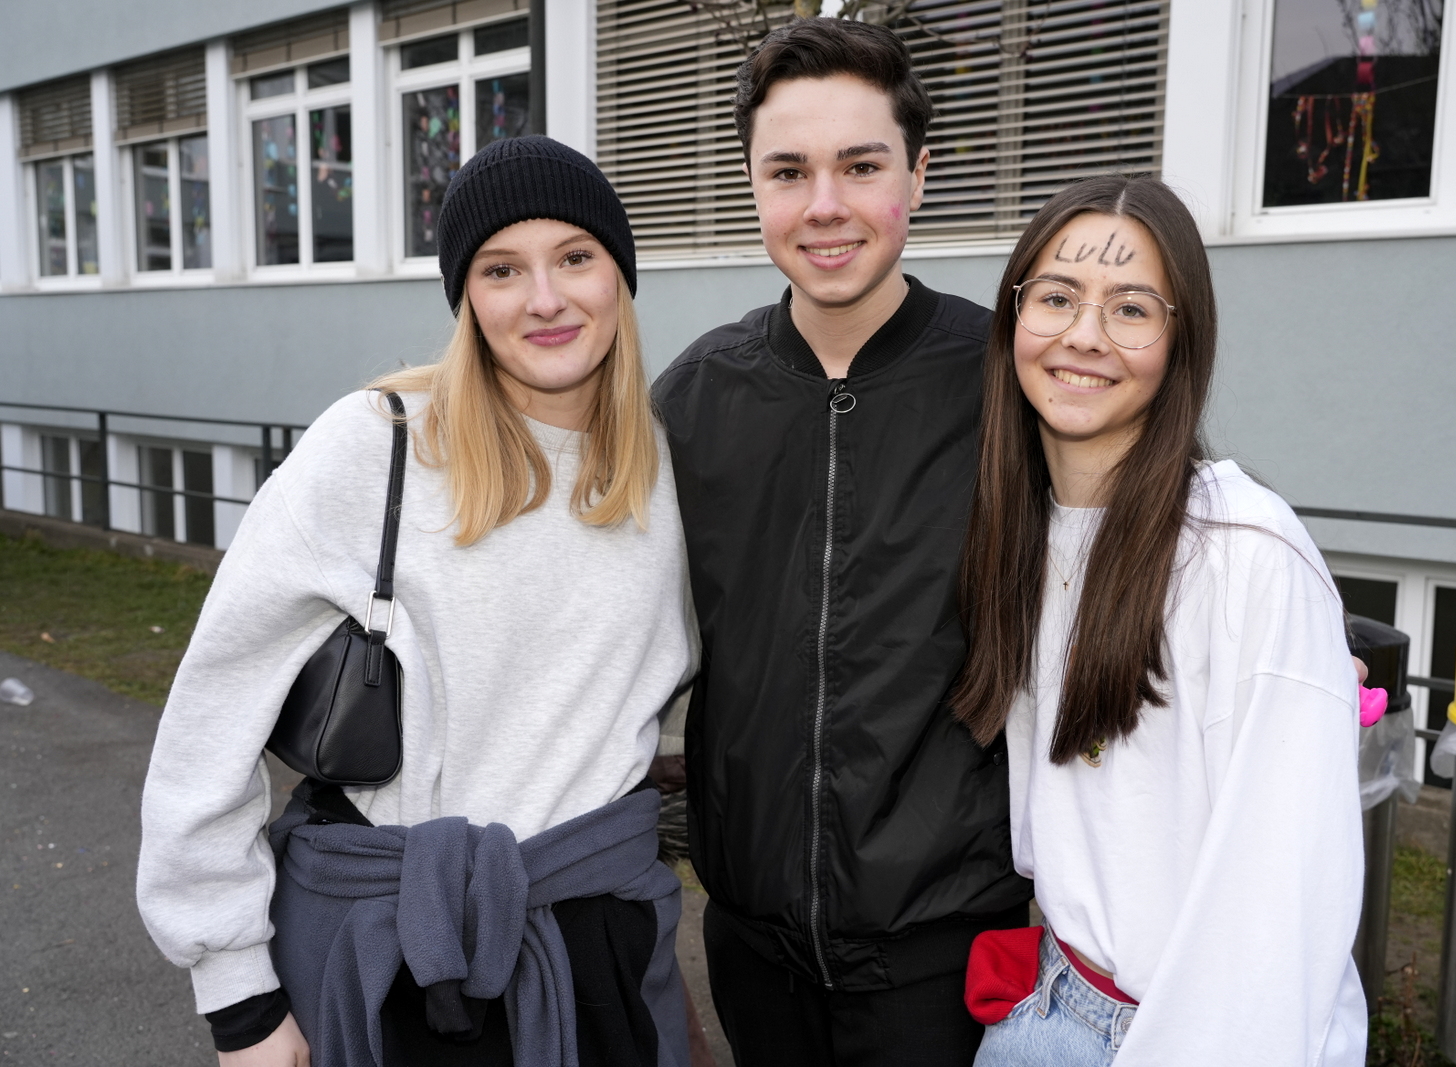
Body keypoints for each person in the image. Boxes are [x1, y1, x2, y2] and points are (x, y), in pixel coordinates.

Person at [137, 137, 698, 1067]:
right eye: (502, 268)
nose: (545, 298)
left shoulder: (668, 472)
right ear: (466, 295)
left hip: (598, 951)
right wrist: (237, 996)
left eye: (575, 256)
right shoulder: (378, 445)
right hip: (394, 955)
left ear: (619, 275)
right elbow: (214, 712)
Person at [651, 19, 1032, 1067]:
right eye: (788, 171)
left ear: (919, 173)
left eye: (861, 166)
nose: (824, 205)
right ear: (753, 184)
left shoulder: (1009, 384)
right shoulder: (693, 398)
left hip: (949, 953)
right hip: (751, 949)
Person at [954, 175, 1366, 1066]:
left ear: (1182, 342)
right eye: (1056, 296)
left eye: (1131, 308)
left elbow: (1286, 906)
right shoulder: (1023, 529)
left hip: (1187, 1034)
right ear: (1013, 316)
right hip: (1049, 1004)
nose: (1084, 334)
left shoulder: (1245, 552)